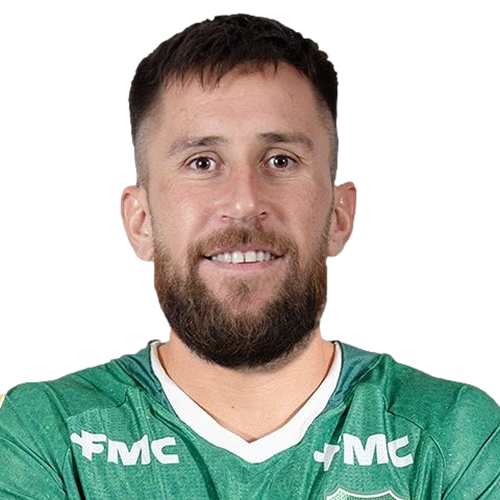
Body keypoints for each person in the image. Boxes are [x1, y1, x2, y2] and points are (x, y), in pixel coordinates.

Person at [0, 13, 498, 500]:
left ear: (340, 216)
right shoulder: (42, 432)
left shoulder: (457, 432)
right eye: (202, 162)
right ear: (141, 222)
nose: (243, 202)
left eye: (280, 160)